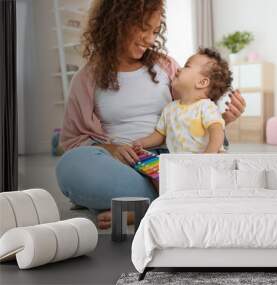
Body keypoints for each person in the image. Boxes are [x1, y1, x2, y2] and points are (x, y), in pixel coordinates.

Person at [56, 0, 246, 229]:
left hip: (171, 157)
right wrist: (113, 149)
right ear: (117, 22)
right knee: (70, 167)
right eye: (143, 28)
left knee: (211, 160)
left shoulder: (166, 67)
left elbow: (195, 112)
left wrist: (225, 119)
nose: (150, 39)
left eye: (155, 31)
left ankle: (138, 205)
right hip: (124, 164)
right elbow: (73, 140)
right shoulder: (86, 78)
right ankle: (170, 199)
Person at [134, 48, 232, 154]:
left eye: (186, 66)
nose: (178, 69)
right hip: (180, 163)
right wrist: (142, 143)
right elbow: (159, 136)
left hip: (205, 162)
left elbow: (217, 132)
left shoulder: (206, 107)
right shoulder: (169, 108)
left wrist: (208, 156)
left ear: (202, 82)